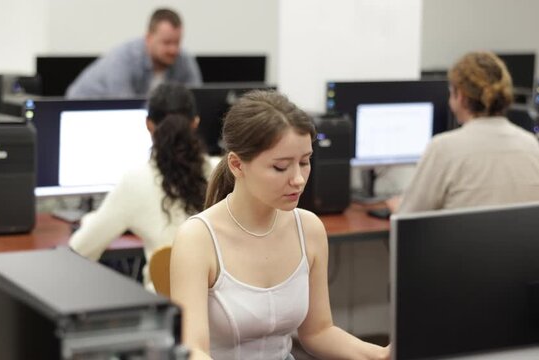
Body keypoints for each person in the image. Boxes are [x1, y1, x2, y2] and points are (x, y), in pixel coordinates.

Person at [170, 90, 390, 360]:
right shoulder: (198, 238)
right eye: (281, 167)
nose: (298, 179)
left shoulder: (309, 228)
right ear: (237, 165)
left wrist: (382, 355)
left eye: (305, 161)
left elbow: (318, 332)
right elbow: (194, 350)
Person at [69, 83, 215, 290]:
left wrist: (89, 221)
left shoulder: (136, 181)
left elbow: (80, 249)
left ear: (149, 125)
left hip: (170, 311)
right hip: (222, 310)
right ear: (195, 123)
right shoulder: (224, 173)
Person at [388, 51, 539, 214]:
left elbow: (408, 216)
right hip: (521, 240)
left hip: (463, 240)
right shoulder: (531, 144)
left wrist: (396, 207)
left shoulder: (444, 148)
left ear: (459, 95)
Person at [66, 8, 202, 99]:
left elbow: (196, 100)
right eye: (166, 43)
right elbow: (125, 109)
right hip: (83, 113)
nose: (173, 49)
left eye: (177, 43)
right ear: (148, 38)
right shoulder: (123, 59)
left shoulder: (184, 60)